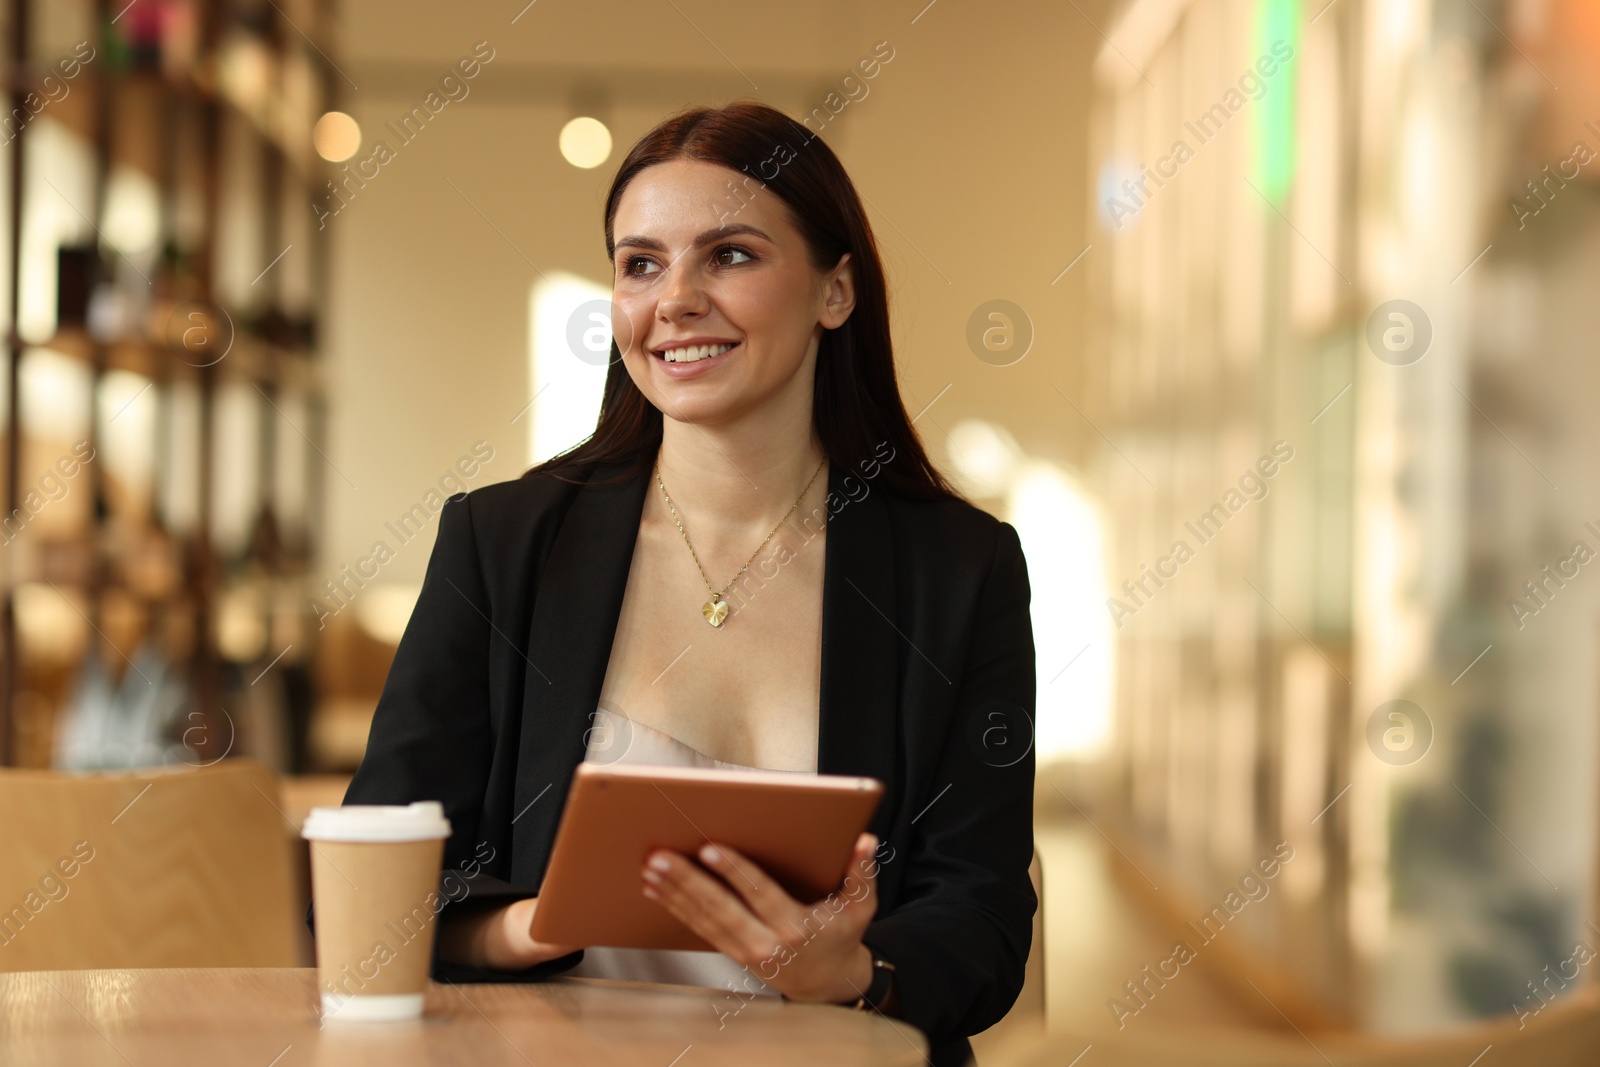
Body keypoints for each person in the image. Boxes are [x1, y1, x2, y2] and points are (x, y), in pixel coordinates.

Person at [336, 101, 1036, 1067]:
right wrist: (538, 923)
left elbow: (984, 916)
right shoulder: (501, 541)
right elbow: (378, 875)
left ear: (837, 291)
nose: (675, 301)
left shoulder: (961, 569)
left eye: (732, 255)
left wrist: (853, 974)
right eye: (642, 263)